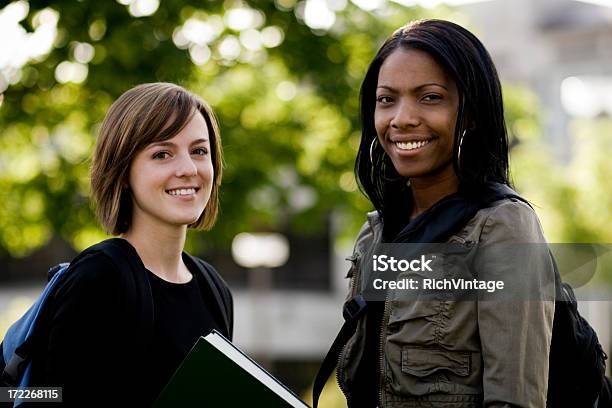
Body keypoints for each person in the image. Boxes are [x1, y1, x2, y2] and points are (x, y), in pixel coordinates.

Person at [333, 20, 555, 407]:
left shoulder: (501, 226)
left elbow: (514, 399)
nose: (401, 118)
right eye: (387, 100)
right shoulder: (376, 233)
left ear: (470, 112)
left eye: (430, 97)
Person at [27, 83, 232, 406]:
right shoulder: (100, 277)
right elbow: (48, 398)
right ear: (123, 171)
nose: (188, 169)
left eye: (199, 151)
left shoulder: (214, 289)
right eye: (162, 154)